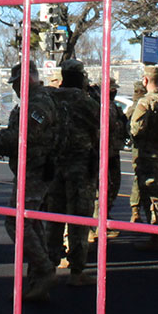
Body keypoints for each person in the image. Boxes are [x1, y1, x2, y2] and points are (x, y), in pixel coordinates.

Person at [0, 60, 62, 302]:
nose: (15, 88)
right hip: (31, 166)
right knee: (31, 221)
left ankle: (45, 269)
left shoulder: (38, 103)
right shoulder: (34, 101)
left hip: (35, 168)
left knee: (16, 222)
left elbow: (26, 134)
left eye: (16, 83)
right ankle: (38, 282)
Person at [45, 59, 100, 286]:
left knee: (53, 217)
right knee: (79, 219)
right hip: (80, 166)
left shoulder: (50, 99)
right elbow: (105, 125)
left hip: (54, 165)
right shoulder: (86, 101)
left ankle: (49, 266)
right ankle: (77, 271)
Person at [129, 65, 158, 251]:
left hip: (148, 154)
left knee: (151, 194)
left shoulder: (145, 102)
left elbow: (136, 128)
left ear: (145, 80)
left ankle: (156, 237)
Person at [90, 77, 128, 242]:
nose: (114, 91)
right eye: (112, 88)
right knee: (101, 188)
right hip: (101, 152)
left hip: (113, 151)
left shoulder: (113, 105)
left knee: (113, 186)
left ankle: (104, 219)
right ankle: (96, 225)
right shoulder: (98, 105)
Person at [129, 79, 148, 223]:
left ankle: (136, 211)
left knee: (139, 179)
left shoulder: (136, 106)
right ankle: (136, 211)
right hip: (143, 148)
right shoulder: (143, 105)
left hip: (140, 148)